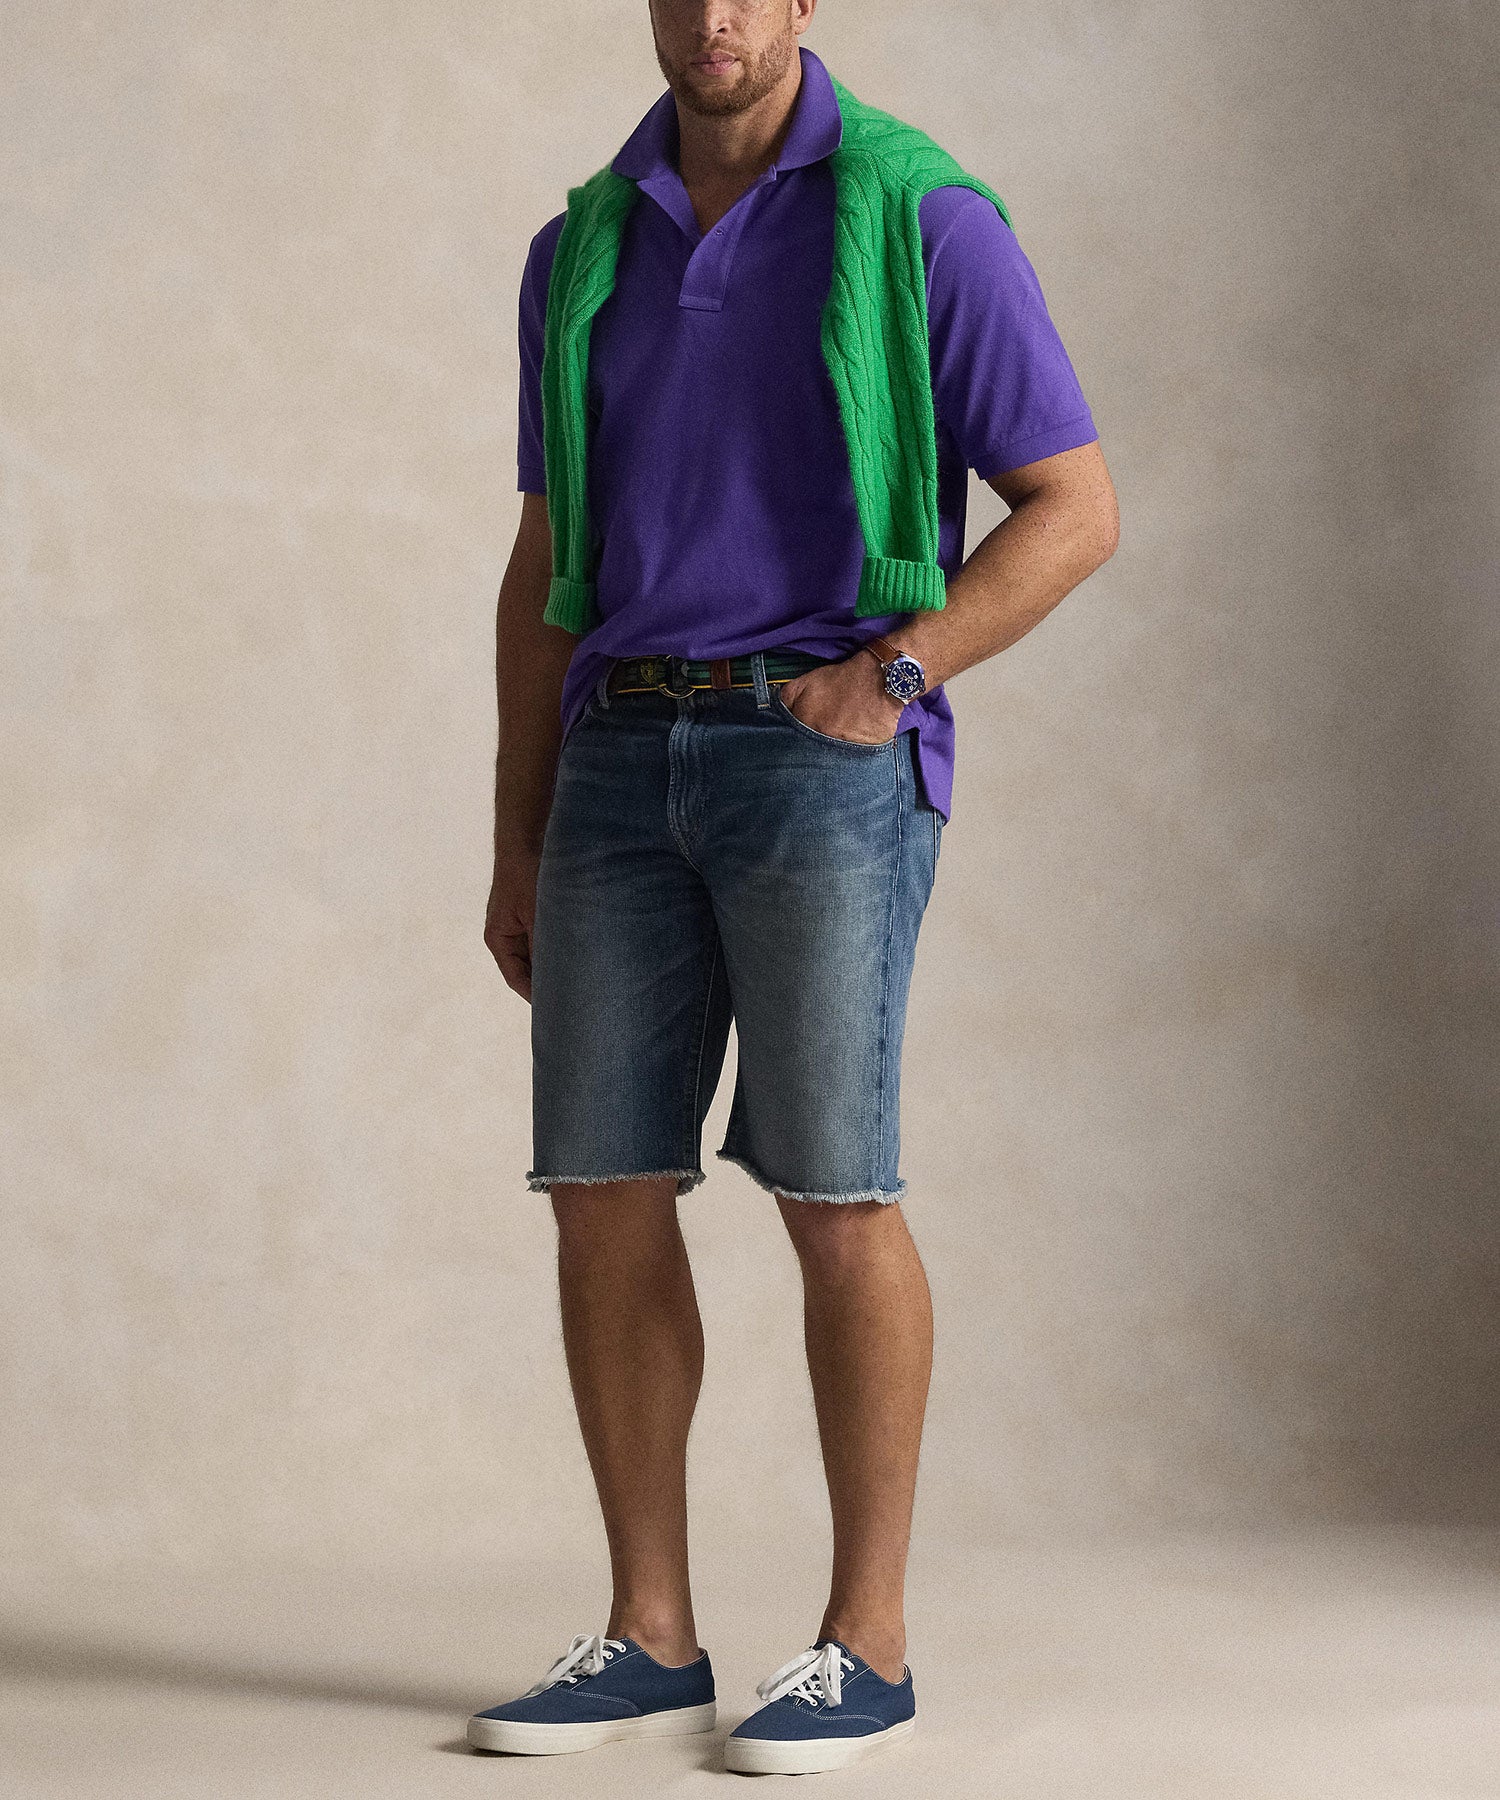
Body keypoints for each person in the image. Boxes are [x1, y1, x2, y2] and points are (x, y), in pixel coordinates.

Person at [475, 0, 1119, 1776]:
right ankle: (649, 1638)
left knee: (836, 1191)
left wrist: (893, 676)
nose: (717, 18)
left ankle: (869, 1647)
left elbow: (1074, 505)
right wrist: (517, 826)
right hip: (617, 756)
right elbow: (546, 554)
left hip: (821, 760)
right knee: (599, 1186)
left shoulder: (924, 216)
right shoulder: (580, 245)